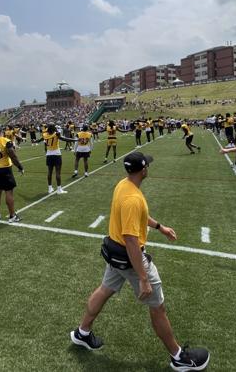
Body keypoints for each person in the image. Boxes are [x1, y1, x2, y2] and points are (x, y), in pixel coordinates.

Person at [69, 152, 210, 371]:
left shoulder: (124, 185)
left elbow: (140, 218)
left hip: (115, 252)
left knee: (105, 289)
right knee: (157, 307)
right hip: (130, 258)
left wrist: (159, 227)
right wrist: (143, 278)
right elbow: (132, 241)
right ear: (143, 170)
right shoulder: (133, 198)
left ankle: (82, 333)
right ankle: (179, 357)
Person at [0, 126, 24, 223]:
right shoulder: (6, 141)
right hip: (5, 169)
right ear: (2, 132)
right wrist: (20, 167)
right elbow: (13, 155)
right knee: (8, 192)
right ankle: (12, 216)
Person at [34, 124, 76, 194]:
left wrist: (34, 141)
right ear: (54, 129)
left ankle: (50, 188)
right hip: (56, 154)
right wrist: (76, 139)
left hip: (49, 155)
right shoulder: (56, 134)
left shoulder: (45, 135)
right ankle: (59, 189)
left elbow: (39, 140)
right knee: (58, 172)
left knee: (49, 172)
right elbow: (65, 139)